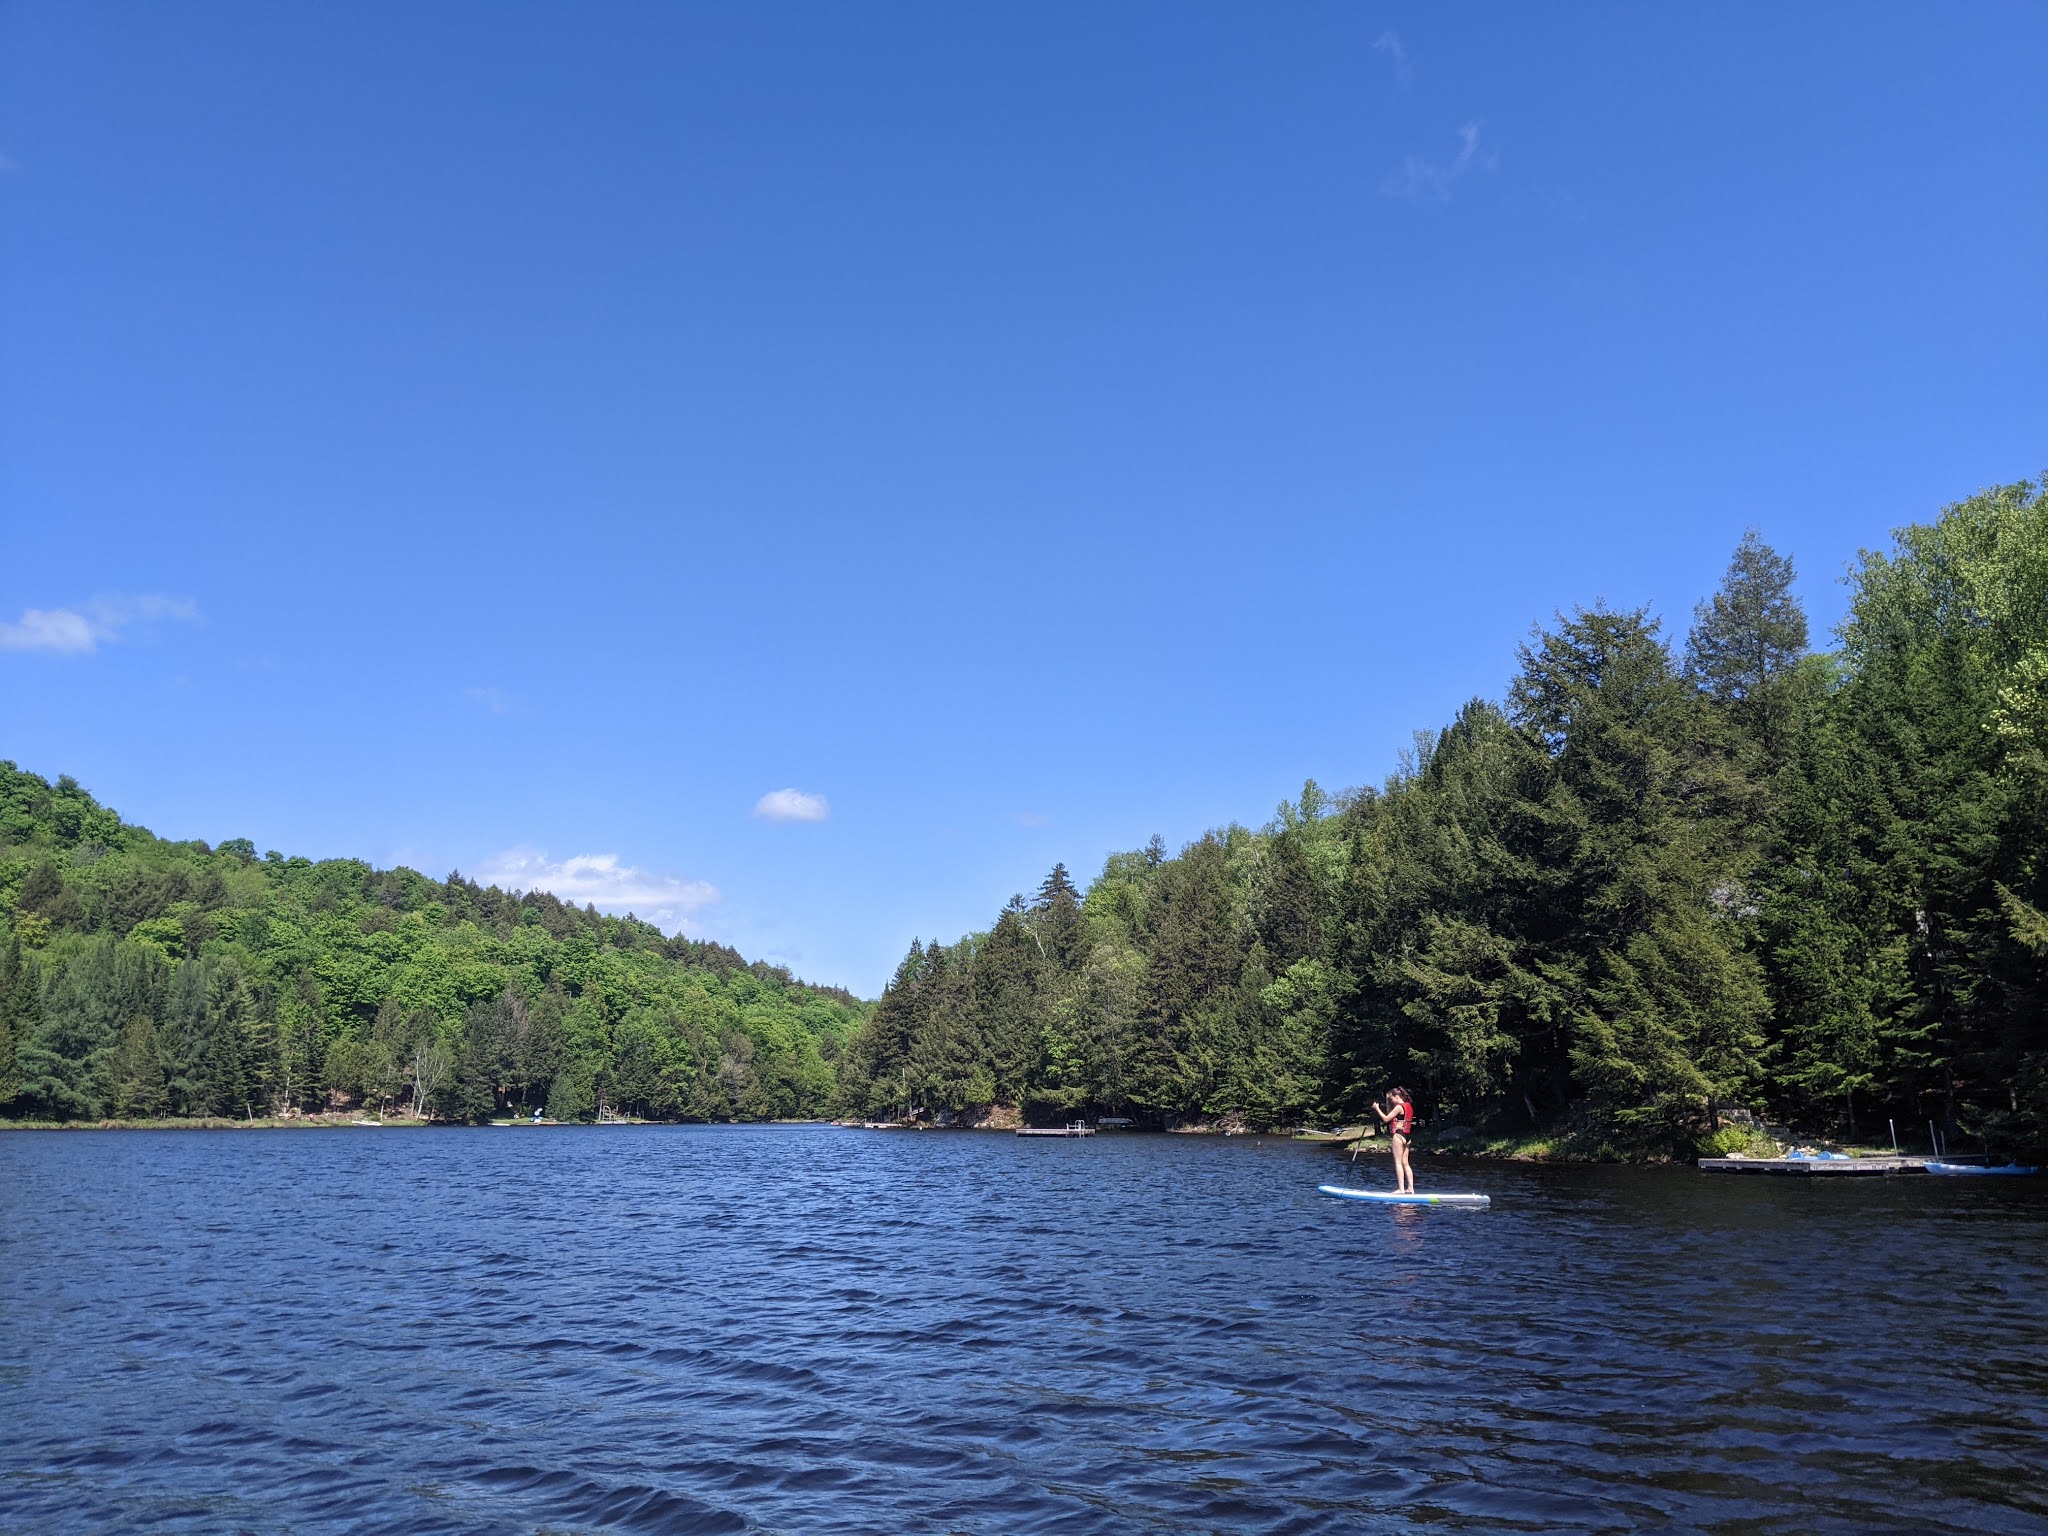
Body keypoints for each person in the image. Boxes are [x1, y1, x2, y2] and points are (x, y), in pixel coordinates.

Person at [1373, 1087, 1417, 1194]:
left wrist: (1377, 1108)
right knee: (1406, 1163)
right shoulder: (1408, 1105)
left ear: (1397, 1097)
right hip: (1408, 1136)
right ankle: (1411, 1188)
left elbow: (1386, 1119)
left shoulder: (1399, 1107)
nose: (1391, 1101)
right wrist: (1388, 1102)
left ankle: (1401, 1189)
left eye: (1392, 1098)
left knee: (1398, 1163)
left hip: (1399, 1135)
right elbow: (1391, 1115)